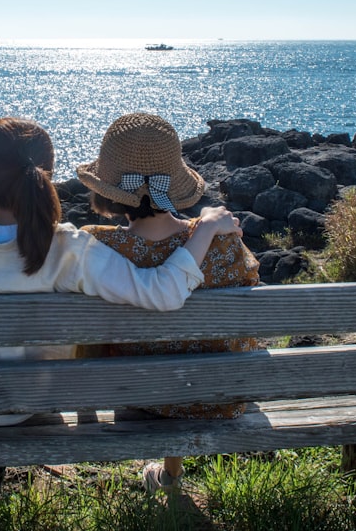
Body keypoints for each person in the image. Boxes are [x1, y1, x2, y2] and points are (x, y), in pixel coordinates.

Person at [0, 116, 242, 520]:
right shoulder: (69, 247)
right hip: (22, 410)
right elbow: (163, 291)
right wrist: (204, 228)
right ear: (44, 178)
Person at [75, 112, 261, 496]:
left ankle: (163, 471)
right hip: (217, 397)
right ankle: (171, 476)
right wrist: (207, 227)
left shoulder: (96, 246)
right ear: (172, 184)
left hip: (136, 394)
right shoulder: (220, 242)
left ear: (111, 189)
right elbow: (249, 296)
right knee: (192, 351)